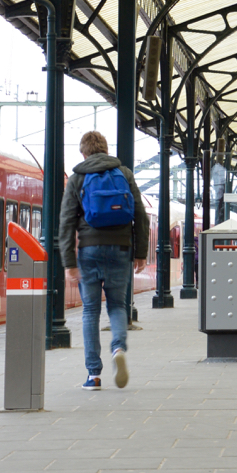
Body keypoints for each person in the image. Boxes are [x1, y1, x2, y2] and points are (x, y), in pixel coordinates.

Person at [58, 130, 149, 391]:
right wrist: (140, 253)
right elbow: (140, 215)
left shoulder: (77, 177)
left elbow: (66, 222)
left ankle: (93, 375)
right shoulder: (124, 173)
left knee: (90, 311)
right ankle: (118, 348)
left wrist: (69, 262)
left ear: (83, 153)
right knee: (118, 305)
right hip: (120, 248)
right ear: (106, 150)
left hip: (89, 250)